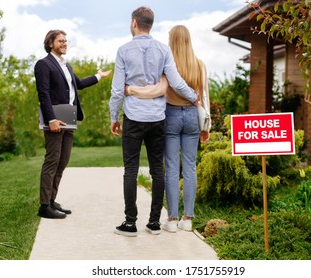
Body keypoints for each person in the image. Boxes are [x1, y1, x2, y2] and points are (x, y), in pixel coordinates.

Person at [109, 7, 198, 237]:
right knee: (157, 169)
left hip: (134, 118)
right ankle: (154, 223)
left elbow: (118, 90)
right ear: (150, 24)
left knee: (131, 170)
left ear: (134, 23)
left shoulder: (123, 51)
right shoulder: (163, 50)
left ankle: (130, 224)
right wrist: (194, 97)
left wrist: (113, 117)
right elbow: (176, 83)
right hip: (158, 119)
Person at [127, 25, 211, 232]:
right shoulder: (199, 65)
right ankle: (188, 218)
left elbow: (160, 89)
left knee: (172, 168)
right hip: (192, 116)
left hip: (171, 115)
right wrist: (206, 126)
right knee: (190, 167)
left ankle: (172, 220)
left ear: (172, 40)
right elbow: (204, 96)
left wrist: (130, 90)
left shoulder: (167, 63)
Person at [35, 29, 111, 219]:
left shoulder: (66, 66)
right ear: (50, 43)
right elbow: (43, 93)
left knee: (63, 160)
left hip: (69, 117)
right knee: (52, 160)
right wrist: (51, 119)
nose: (64, 43)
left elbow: (80, 84)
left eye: (66, 41)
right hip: (55, 118)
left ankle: (52, 201)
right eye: (60, 41)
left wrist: (99, 76)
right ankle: (44, 206)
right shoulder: (44, 64)